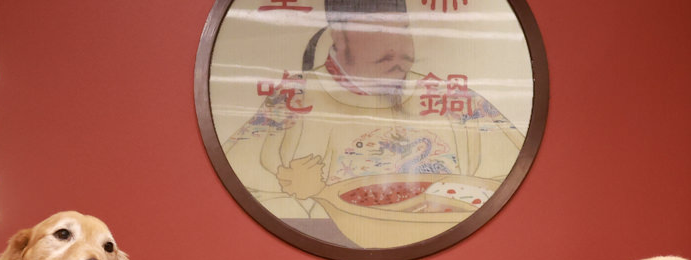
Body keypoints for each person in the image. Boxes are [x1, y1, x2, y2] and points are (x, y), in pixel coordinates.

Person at [223, 0, 525, 244]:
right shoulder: (293, 100)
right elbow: (244, 195)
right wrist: (301, 193)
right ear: (338, 35)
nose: (398, 48)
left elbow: (512, 183)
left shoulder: (452, 100)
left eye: (403, 29)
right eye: (378, 29)